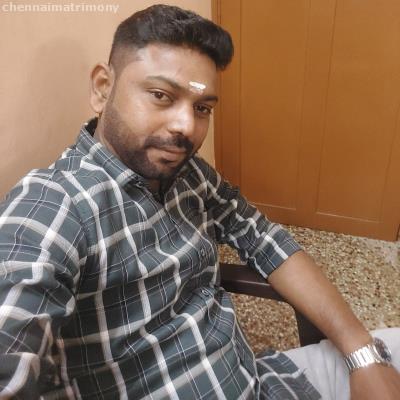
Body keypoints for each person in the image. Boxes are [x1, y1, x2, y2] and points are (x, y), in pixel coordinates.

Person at [0, 4, 399, 399]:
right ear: (103, 88)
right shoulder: (53, 208)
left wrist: (362, 354)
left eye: (202, 107)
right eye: (161, 95)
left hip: (268, 384)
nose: (186, 127)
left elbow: (265, 239)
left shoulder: (190, 175)